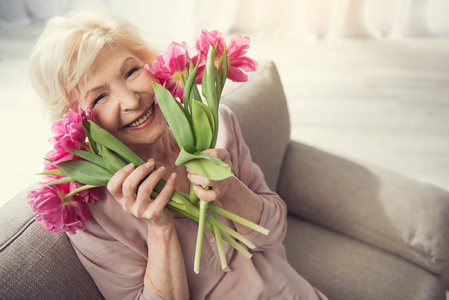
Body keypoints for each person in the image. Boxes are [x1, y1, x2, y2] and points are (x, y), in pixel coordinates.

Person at [28, 10, 327, 300]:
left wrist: (230, 187)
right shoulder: (93, 212)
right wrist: (159, 227)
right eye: (100, 97)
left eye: (131, 71)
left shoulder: (218, 123)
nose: (132, 100)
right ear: (76, 122)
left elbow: (274, 234)